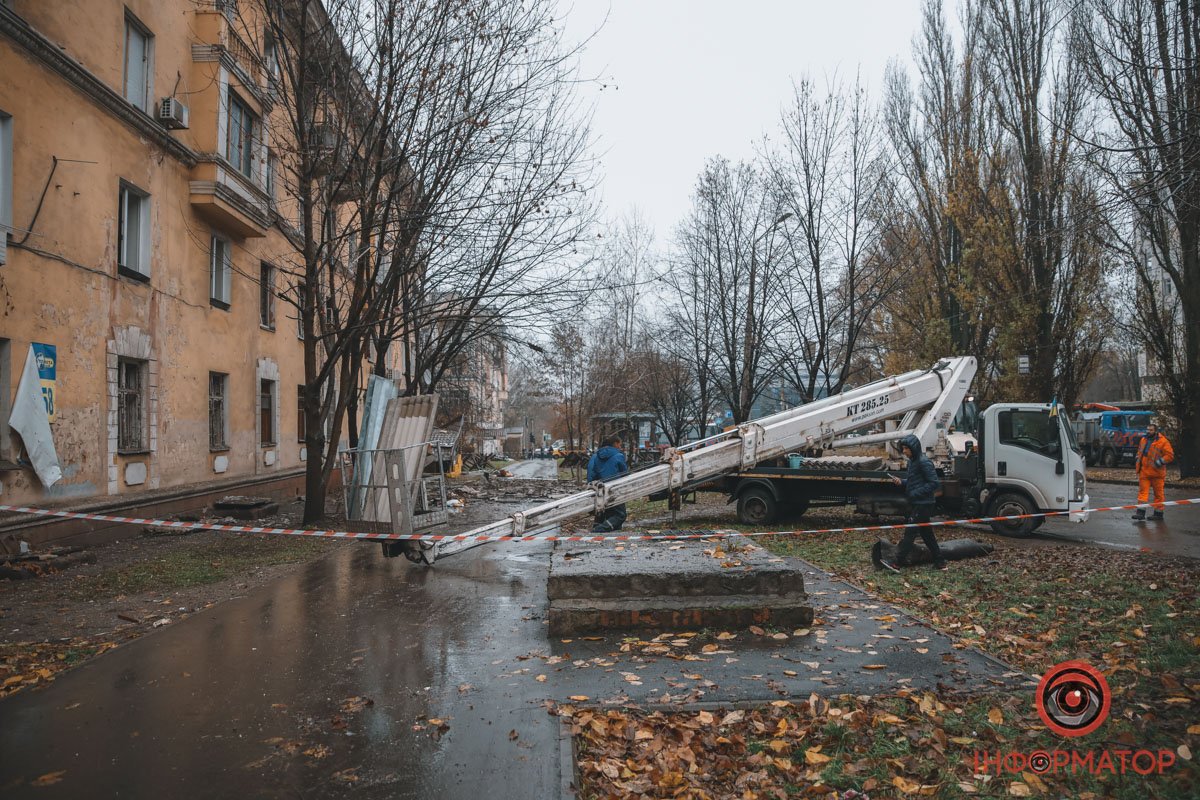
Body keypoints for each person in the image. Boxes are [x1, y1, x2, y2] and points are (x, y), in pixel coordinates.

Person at [885, 434, 947, 570]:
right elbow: (914, 482)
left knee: (910, 532)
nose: (904, 451)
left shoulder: (924, 462)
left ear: (914, 448)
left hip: (924, 503)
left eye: (906, 448)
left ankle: (897, 563)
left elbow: (934, 483)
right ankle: (940, 562)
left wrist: (915, 493)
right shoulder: (913, 461)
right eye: (903, 448)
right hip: (919, 502)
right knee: (927, 534)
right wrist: (901, 482)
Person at [587, 435, 629, 532]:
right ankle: (598, 530)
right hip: (615, 489)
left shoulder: (597, 456)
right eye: (619, 444)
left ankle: (601, 529)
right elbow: (624, 474)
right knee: (620, 515)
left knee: (605, 512)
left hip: (601, 489)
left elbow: (593, 472)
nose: (620, 446)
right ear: (615, 443)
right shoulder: (618, 456)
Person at [1133, 422, 1174, 521]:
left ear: (1156, 431)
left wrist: (1159, 462)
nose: (1148, 431)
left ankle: (1158, 514)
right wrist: (1137, 458)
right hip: (1144, 471)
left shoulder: (1163, 442)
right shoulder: (1143, 439)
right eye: (1147, 429)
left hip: (1157, 473)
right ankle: (1140, 513)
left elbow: (1170, 456)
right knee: (1143, 493)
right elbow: (1140, 451)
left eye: (1151, 430)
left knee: (1158, 494)